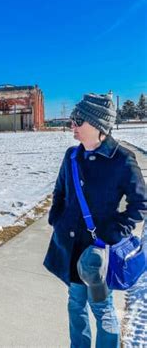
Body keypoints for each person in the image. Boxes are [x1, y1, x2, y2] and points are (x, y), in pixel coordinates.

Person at [43, 93, 147, 347]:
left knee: (103, 311)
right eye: (72, 119)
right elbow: (60, 192)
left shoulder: (122, 160)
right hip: (70, 247)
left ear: (98, 125)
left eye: (78, 120)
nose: (72, 125)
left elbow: (140, 204)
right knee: (75, 304)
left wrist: (108, 237)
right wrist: (57, 219)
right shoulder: (71, 156)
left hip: (98, 253)